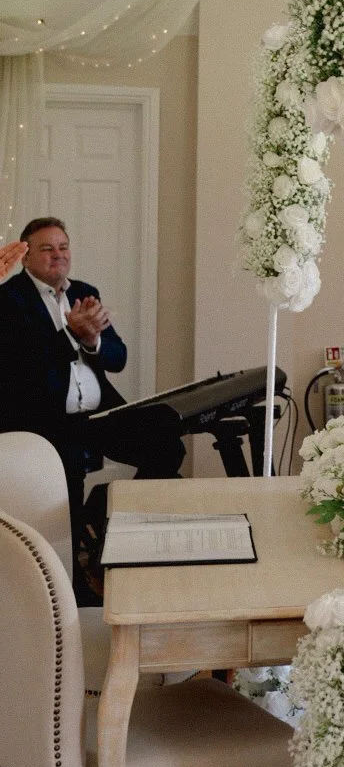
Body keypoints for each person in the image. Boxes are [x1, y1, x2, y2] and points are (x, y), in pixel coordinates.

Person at [0, 218, 184, 594]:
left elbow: (117, 357)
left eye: (63, 247)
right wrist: (73, 333)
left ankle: (100, 510)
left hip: (97, 415)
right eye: (47, 249)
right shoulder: (9, 299)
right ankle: (74, 591)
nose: (58, 256)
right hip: (42, 421)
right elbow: (26, 367)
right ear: (25, 256)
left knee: (165, 441)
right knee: (63, 490)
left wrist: (92, 342)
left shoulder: (85, 292)